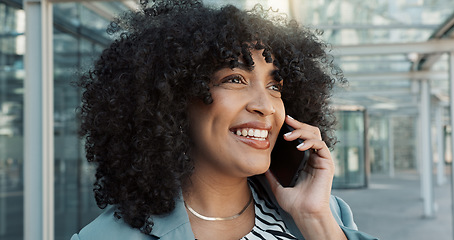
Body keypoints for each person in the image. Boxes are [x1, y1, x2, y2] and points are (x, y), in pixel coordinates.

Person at [71, 0, 377, 239]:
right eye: (234, 79)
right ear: (174, 98)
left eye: (274, 86)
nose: (266, 106)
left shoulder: (324, 214)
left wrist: (316, 221)